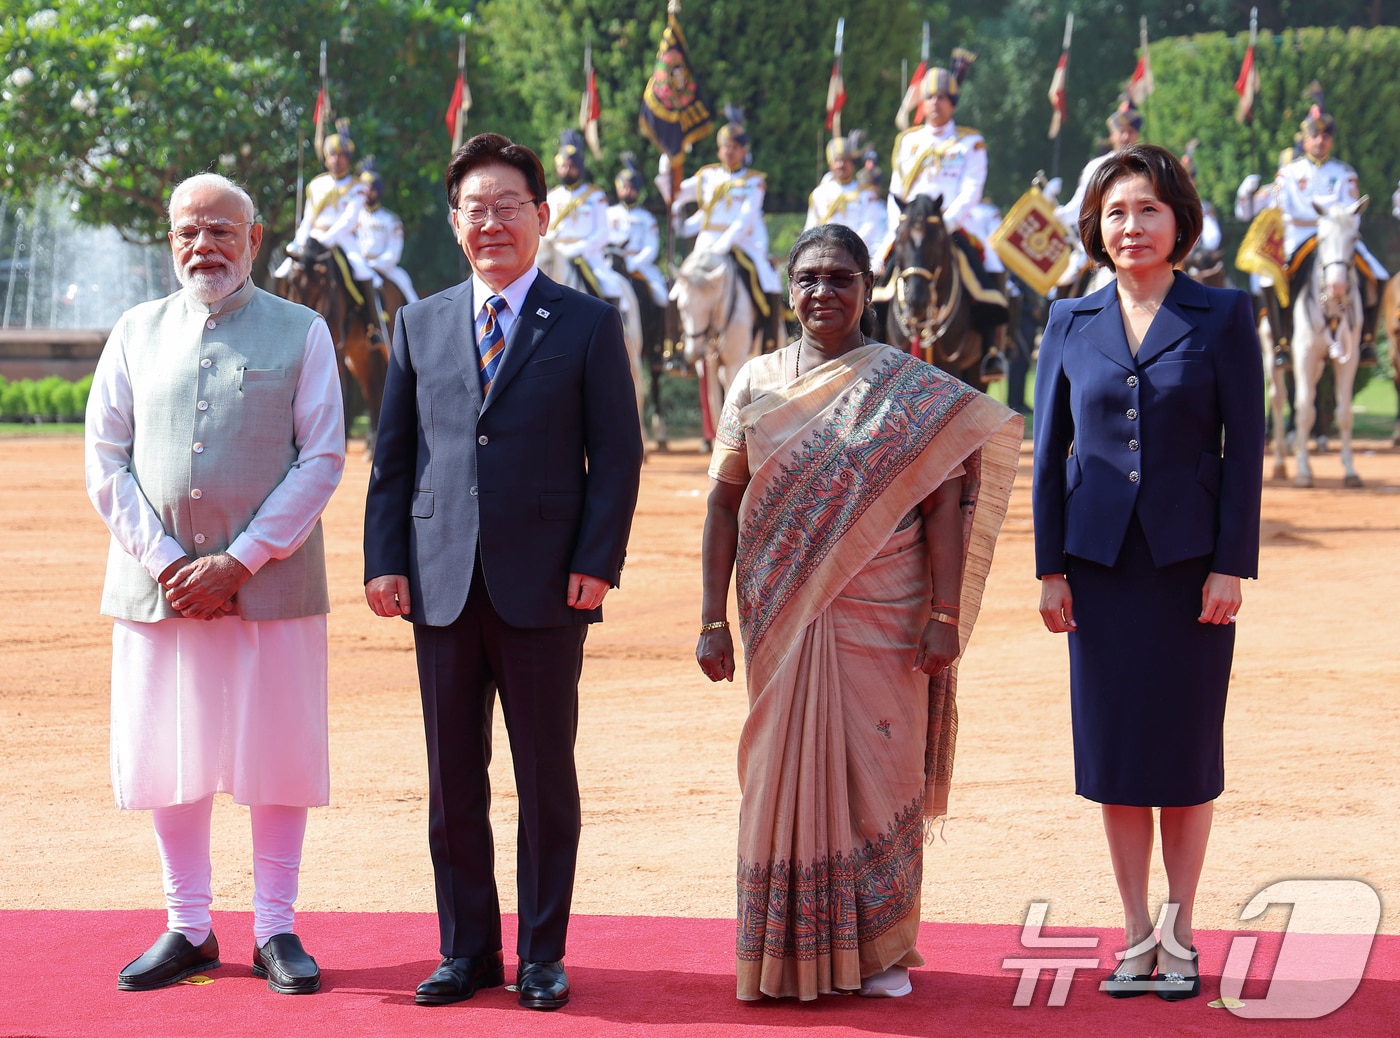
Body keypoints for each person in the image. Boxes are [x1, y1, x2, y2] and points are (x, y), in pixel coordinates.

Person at [697, 223, 1022, 1002]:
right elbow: (723, 502)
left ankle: (877, 951)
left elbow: (945, 504)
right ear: (788, 287)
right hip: (780, 614)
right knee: (781, 774)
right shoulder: (756, 384)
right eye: (808, 278)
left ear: (868, 287)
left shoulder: (910, 386)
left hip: (888, 613)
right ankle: (788, 951)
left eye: (840, 278)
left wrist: (945, 614)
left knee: (880, 773)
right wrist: (712, 617)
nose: (823, 293)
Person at [363, 132, 644, 1012]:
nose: (491, 223)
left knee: (544, 782)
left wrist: (596, 564)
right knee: (453, 786)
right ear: (455, 224)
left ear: (541, 216)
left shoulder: (590, 324)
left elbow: (619, 457)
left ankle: (541, 955)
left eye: (507, 207)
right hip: (439, 589)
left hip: (546, 589)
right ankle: (465, 951)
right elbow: (394, 459)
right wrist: (384, 562)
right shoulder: (419, 322)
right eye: (475, 210)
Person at [84, 172, 346, 995]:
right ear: (169, 241)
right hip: (159, 589)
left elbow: (324, 459)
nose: (205, 247)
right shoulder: (133, 332)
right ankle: (188, 925)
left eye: (221, 232)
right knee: (172, 750)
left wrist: (240, 561)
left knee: (276, 753)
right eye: (188, 233)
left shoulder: (302, 333)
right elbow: (105, 462)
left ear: (255, 239)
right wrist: (170, 564)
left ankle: (275, 928)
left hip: (270, 586)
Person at [1032, 144, 1265, 1002]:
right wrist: (1050, 569)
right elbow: (1049, 449)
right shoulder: (1066, 321)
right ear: (1097, 225)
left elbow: (1245, 453)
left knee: (1185, 756)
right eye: (1118, 212)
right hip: (1098, 575)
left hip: (1189, 574)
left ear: (1180, 224)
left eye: (1149, 211)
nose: (1132, 227)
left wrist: (1230, 566)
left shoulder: (1223, 317)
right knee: (1120, 757)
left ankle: (1182, 929)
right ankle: (1134, 932)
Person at [1235, 86, 1385, 364]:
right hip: (1299, 236)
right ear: (1305, 141)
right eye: (1314, 135)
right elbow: (1279, 208)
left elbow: (1354, 213)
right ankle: (1282, 344)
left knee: (1379, 274)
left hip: (1338, 238)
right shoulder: (1289, 172)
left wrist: (1334, 225)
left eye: (1326, 136)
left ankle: (1367, 341)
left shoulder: (1344, 173)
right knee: (1269, 280)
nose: (1320, 140)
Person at [881, 50, 1007, 340]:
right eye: (930, 97)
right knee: (877, 273)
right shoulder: (908, 142)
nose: (935, 103)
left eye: (941, 98)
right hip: (910, 225)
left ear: (952, 103)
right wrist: (899, 223)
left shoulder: (970, 142)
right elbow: (896, 190)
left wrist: (945, 224)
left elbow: (971, 189)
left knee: (991, 265)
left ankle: (993, 347)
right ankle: (871, 341)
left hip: (952, 224)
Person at [671, 107, 783, 350]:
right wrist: (667, 168)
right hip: (706, 243)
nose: (729, 151)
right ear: (719, 149)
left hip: (743, 242)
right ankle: (674, 344)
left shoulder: (754, 181)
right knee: (679, 288)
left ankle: (770, 340)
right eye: (725, 146)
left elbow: (745, 219)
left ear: (744, 150)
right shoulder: (707, 176)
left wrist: (725, 243)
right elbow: (676, 192)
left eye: (735, 147)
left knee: (770, 281)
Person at [279, 119, 384, 338]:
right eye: (332, 155)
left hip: (342, 238)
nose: (336, 160)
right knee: (283, 269)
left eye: (341, 155)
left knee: (362, 271)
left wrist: (325, 240)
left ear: (348, 158)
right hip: (314, 236)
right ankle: (277, 319)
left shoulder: (357, 186)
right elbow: (308, 218)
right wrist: (300, 241)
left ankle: (372, 326)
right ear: (326, 159)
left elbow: (348, 219)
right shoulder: (316, 184)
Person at [545, 129, 635, 320]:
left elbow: (602, 233)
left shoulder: (595, 195)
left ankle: (615, 328)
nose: (566, 170)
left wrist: (580, 248)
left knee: (610, 285)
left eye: (571, 166)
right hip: (555, 254)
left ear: (580, 166)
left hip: (588, 256)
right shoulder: (551, 197)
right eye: (563, 166)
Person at [804, 131, 887, 257]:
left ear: (853, 164)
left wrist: (847, 246)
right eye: (837, 160)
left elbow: (870, 226)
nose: (841, 165)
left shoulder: (866, 194)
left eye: (846, 160)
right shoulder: (819, 194)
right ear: (830, 164)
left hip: (857, 252)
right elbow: (811, 226)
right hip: (824, 252)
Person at [606, 152, 669, 308]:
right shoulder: (608, 214)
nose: (627, 191)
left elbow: (651, 247)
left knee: (662, 298)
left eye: (631, 187)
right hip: (611, 264)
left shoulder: (646, 218)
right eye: (624, 187)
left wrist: (632, 263)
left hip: (639, 266)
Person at [357, 167, 419, 303]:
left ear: (378, 191)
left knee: (407, 289)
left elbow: (393, 253)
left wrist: (373, 264)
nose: (367, 193)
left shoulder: (391, 220)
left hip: (385, 269)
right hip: (356, 266)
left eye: (371, 190)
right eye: (364, 189)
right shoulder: (352, 217)